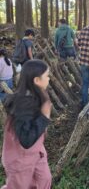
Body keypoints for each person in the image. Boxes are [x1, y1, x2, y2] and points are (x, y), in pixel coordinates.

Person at [1, 60, 52, 188]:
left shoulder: (37, 95)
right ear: (36, 80)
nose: (49, 79)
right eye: (47, 75)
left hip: (37, 153)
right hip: (20, 159)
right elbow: (26, 140)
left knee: (44, 179)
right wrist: (44, 117)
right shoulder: (22, 105)